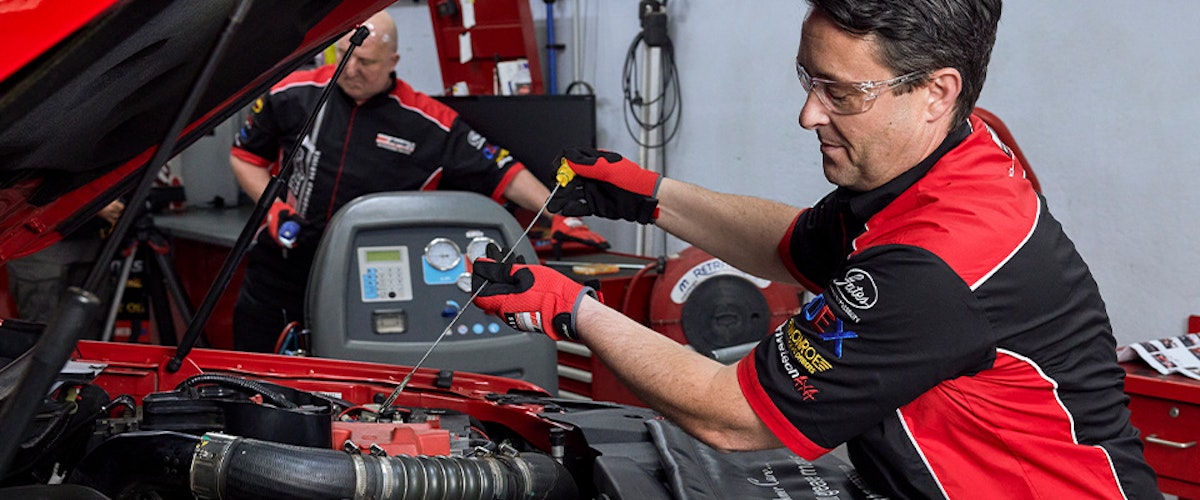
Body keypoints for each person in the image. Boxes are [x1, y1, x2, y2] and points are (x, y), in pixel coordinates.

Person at [469, 0, 1162, 497]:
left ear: (935, 92)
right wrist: (651, 195)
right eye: (809, 79)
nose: (809, 114)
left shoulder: (938, 263)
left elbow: (734, 415)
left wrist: (574, 310)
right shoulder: (948, 155)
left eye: (841, 93)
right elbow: (794, 244)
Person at [228, 10, 604, 353]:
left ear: (393, 62)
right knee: (252, 375)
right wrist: (273, 208)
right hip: (280, 267)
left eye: (366, 62)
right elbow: (245, 158)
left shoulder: (427, 122)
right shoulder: (291, 93)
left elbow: (502, 170)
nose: (351, 69)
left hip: (365, 286)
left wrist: (556, 212)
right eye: (344, 55)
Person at [6, 199, 124, 330]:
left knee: (89, 330)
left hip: (90, 245)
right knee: (42, 329)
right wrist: (93, 201)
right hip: (39, 244)